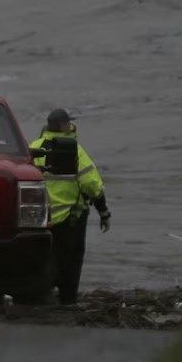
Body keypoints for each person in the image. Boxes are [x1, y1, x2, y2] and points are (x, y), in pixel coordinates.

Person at [29, 108, 109, 305]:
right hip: (70, 218)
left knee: (41, 258)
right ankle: (67, 300)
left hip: (39, 218)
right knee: (71, 260)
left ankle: (38, 295)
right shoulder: (75, 150)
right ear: (64, 125)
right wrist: (103, 211)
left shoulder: (34, 148)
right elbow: (91, 184)